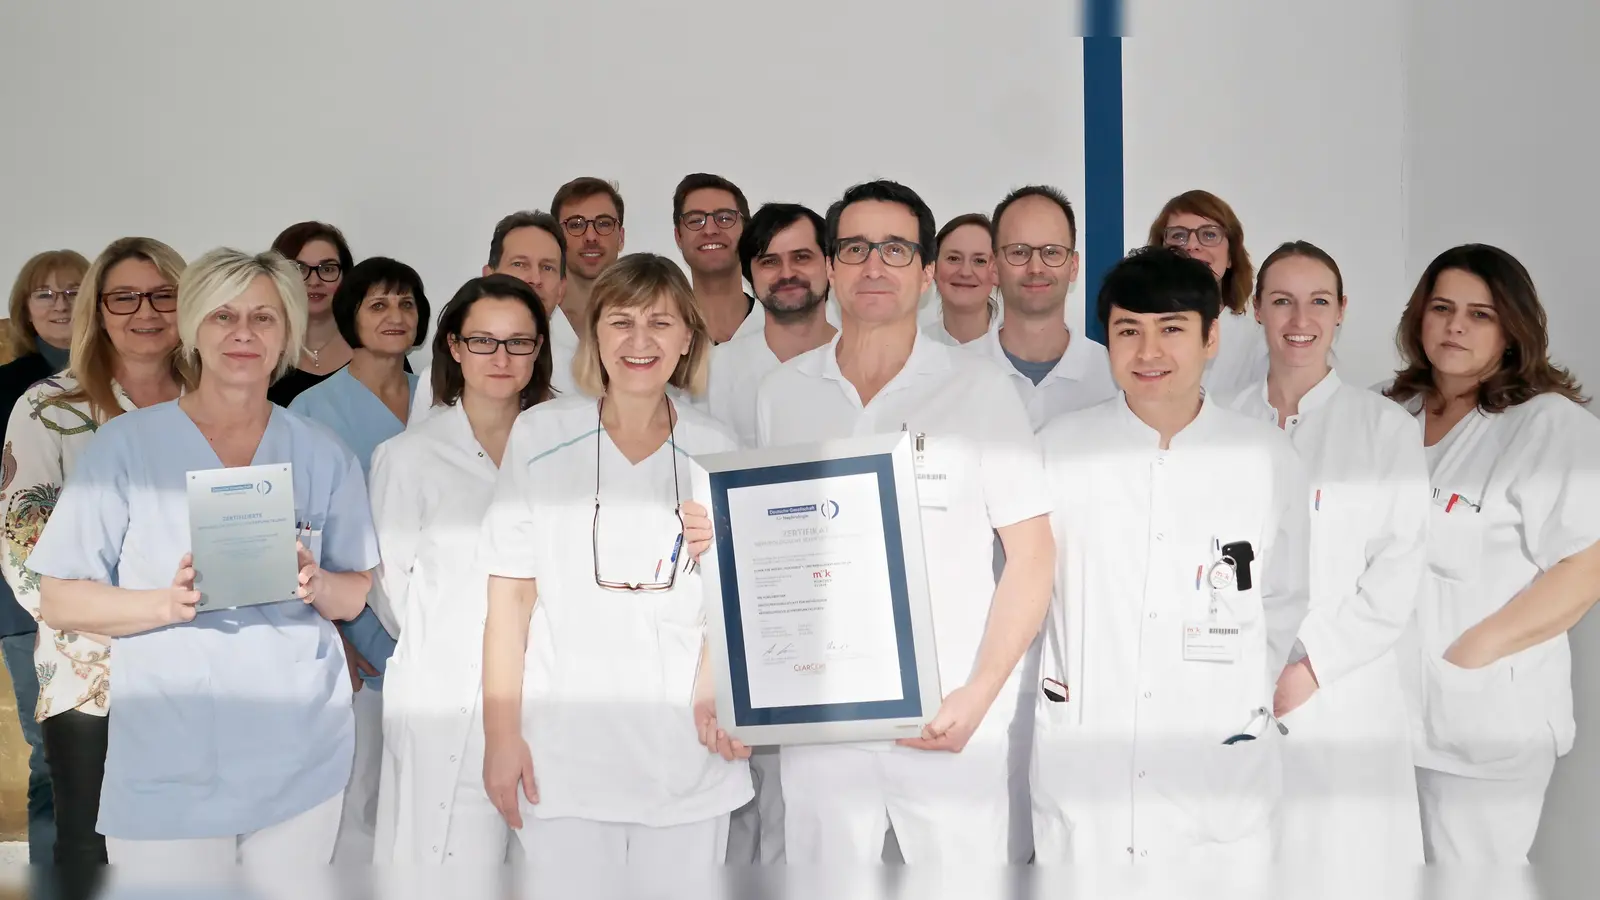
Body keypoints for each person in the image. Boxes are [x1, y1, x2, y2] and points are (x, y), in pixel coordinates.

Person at [28, 247, 379, 866]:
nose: (243, 333)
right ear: (192, 329)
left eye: (264, 318)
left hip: (297, 747)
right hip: (172, 749)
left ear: (287, 335)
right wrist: (164, 603)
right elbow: (59, 596)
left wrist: (315, 582)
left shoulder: (322, 452)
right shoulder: (127, 447)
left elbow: (355, 591)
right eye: (222, 316)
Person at [748, 180, 1055, 864]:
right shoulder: (783, 394)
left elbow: (1032, 557)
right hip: (822, 725)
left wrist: (978, 695)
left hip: (946, 721)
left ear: (924, 274)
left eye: (894, 248)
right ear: (830, 267)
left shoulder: (978, 390)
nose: (873, 265)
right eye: (855, 248)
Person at [1032, 246, 1311, 865]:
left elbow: (1282, 597)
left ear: (1212, 338)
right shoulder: (1059, 449)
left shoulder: (1265, 458)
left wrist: (1228, 687)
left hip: (1216, 750)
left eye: (1173, 330)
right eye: (1128, 330)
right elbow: (1027, 591)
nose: (1149, 353)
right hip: (1089, 745)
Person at [479, 253, 749, 868]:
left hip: (683, 749)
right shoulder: (541, 437)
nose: (639, 341)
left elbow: (729, 600)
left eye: (660, 323)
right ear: (594, 334)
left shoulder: (718, 448)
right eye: (621, 322)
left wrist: (717, 690)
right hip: (564, 752)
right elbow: (510, 598)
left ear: (688, 338)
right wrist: (500, 736)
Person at [1383, 244, 1600, 864]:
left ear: (1512, 330)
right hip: (1386, 718)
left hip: (1482, 718)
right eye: (1442, 307)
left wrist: (1474, 652)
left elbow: (1587, 565)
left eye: (1480, 314)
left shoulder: (1547, 426)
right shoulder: (1386, 411)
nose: (1455, 325)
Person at [1226, 241, 1428, 866]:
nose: (1299, 320)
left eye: (1318, 302)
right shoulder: (1220, 422)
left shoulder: (1383, 428)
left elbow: (1397, 573)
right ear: (1256, 309)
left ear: (1342, 311)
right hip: (1235, 685)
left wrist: (1312, 667)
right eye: (1281, 301)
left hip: (1344, 699)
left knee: (1344, 866)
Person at [2, 238, 186, 876]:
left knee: (191, 851)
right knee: (93, 854)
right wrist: (137, 607)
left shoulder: (218, 402)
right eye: (124, 297)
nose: (147, 311)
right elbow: (26, 552)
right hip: (91, 670)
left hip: (202, 662)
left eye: (164, 294)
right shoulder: (49, 408)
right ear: (99, 310)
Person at [371, 274, 554, 863]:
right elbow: (390, 594)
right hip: (444, 695)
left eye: (518, 342)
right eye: (483, 341)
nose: (501, 358)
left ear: (539, 348)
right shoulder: (407, 458)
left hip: (553, 697)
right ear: (453, 346)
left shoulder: (568, 446)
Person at [288, 256, 429, 862]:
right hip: (351, 625)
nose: (395, 317)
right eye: (378, 305)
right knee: (357, 795)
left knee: (428, 797)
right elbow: (300, 541)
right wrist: (346, 633)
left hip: (437, 618)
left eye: (406, 304)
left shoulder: (444, 398)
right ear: (350, 316)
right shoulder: (312, 412)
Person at [0, 248, 86, 864]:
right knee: (53, 754)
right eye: (44, 294)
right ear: (24, 310)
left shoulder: (133, 383)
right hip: (25, 600)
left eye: (74, 291)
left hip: (123, 604)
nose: (60, 304)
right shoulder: (10, 389)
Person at [410, 210, 576, 425]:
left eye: (547, 267)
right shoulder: (435, 379)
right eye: (519, 264)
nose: (535, 279)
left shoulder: (584, 376)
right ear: (489, 276)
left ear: (562, 288)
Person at [982, 185, 1118, 429]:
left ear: (1073, 266)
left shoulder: (1115, 376)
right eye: (1019, 252)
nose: (1035, 268)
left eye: (1052, 252)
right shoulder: (954, 374)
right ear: (994, 267)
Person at [703, 202, 837, 449]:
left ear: (830, 265)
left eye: (801, 257)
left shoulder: (864, 361)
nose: (787, 273)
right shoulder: (713, 371)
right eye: (769, 262)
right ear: (749, 275)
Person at [1147, 190, 1267, 401]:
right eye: (1178, 235)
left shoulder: (1259, 344)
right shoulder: (1137, 333)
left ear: (1231, 256)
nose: (1192, 245)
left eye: (1209, 234)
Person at [266, 221, 356, 406]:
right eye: (299, 269)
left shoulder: (375, 348)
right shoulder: (259, 351)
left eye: (328, 269)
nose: (314, 281)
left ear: (346, 277)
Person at [672, 173, 762, 344]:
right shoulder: (662, 333)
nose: (710, 230)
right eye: (696, 220)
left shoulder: (779, 330)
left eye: (725, 218)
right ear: (679, 237)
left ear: (746, 232)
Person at [550, 177, 626, 338]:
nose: (591, 237)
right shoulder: (533, 320)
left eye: (604, 223)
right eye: (576, 225)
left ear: (621, 238)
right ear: (556, 239)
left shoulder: (645, 319)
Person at [921, 213, 999, 345]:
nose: (965, 272)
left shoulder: (1021, 348)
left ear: (997, 271)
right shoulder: (914, 350)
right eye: (953, 258)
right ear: (933, 267)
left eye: (980, 261)